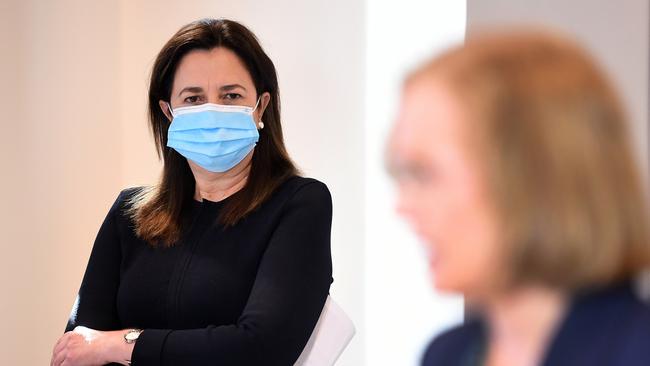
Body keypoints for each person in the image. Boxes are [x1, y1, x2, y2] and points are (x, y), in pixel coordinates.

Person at [51, 18, 333, 366]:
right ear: (168, 112)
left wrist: (119, 344)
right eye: (193, 98)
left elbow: (260, 349)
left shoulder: (300, 204)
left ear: (260, 107)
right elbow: (77, 348)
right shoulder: (129, 213)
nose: (212, 111)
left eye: (231, 96)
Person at [388, 31, 650, 366]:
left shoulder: (637, 352)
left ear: (534, 174)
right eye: (404, 174)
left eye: (425, 174)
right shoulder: (447, 354)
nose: (403, 206)